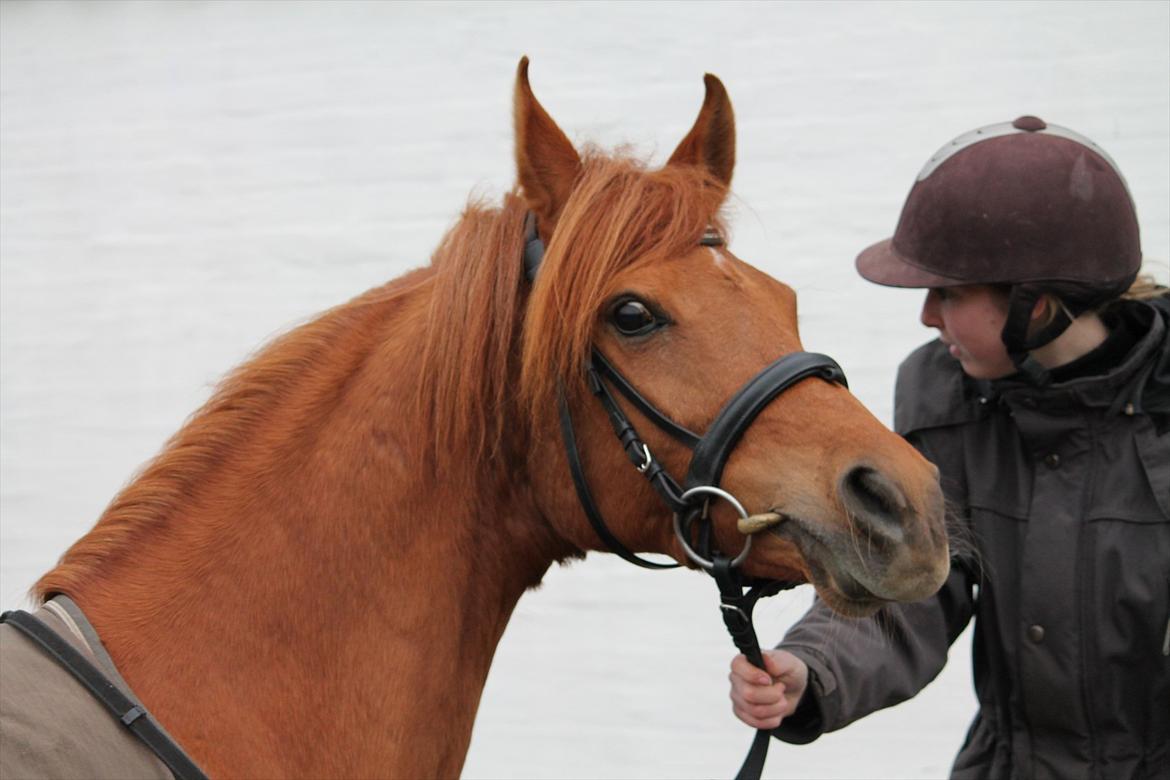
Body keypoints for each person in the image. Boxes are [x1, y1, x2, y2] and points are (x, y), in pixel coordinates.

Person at [728, 116, 1170, 779]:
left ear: (1038, 304)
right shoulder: (941, 393)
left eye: (949, 293)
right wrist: (811, 669)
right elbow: (914, 585)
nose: (927, 317)